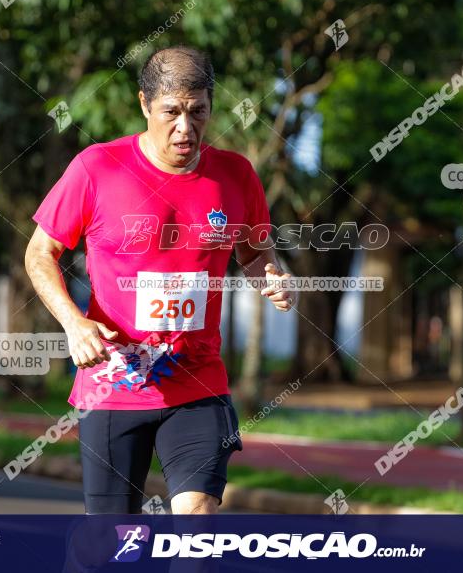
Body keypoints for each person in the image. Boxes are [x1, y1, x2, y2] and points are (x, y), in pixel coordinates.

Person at [25, 45, 296, 515]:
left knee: (197, 518)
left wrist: (271, 276)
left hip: (198, 382)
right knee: (109, 546)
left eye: (198, 113)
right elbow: (39, 253)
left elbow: (254, 254)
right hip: (113, 382)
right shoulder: (97, 168)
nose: (185, 128)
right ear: (144, 104)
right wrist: (73, 323)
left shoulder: (236, 175)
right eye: (171, 112)